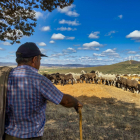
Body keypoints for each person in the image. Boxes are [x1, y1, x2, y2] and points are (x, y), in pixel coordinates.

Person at [4, 42, 83, 140]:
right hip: (31, 136)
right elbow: (65, 101)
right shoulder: (39, 80)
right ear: (34, 59)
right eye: (40, 59)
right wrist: (76, 102)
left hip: (8, 135)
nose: (40, 63)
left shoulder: (5, 77)